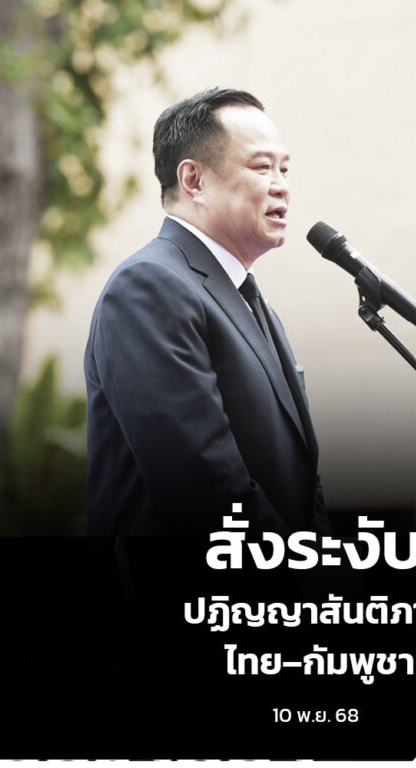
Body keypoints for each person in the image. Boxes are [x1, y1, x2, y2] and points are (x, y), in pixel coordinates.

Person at [84, 88, 330, 537]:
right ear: (193, 180)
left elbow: (300, 481)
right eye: (262, 167)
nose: (281, 185)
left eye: (285, 169)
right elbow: (203, 487)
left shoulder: (246, 298)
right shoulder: (149, 287)